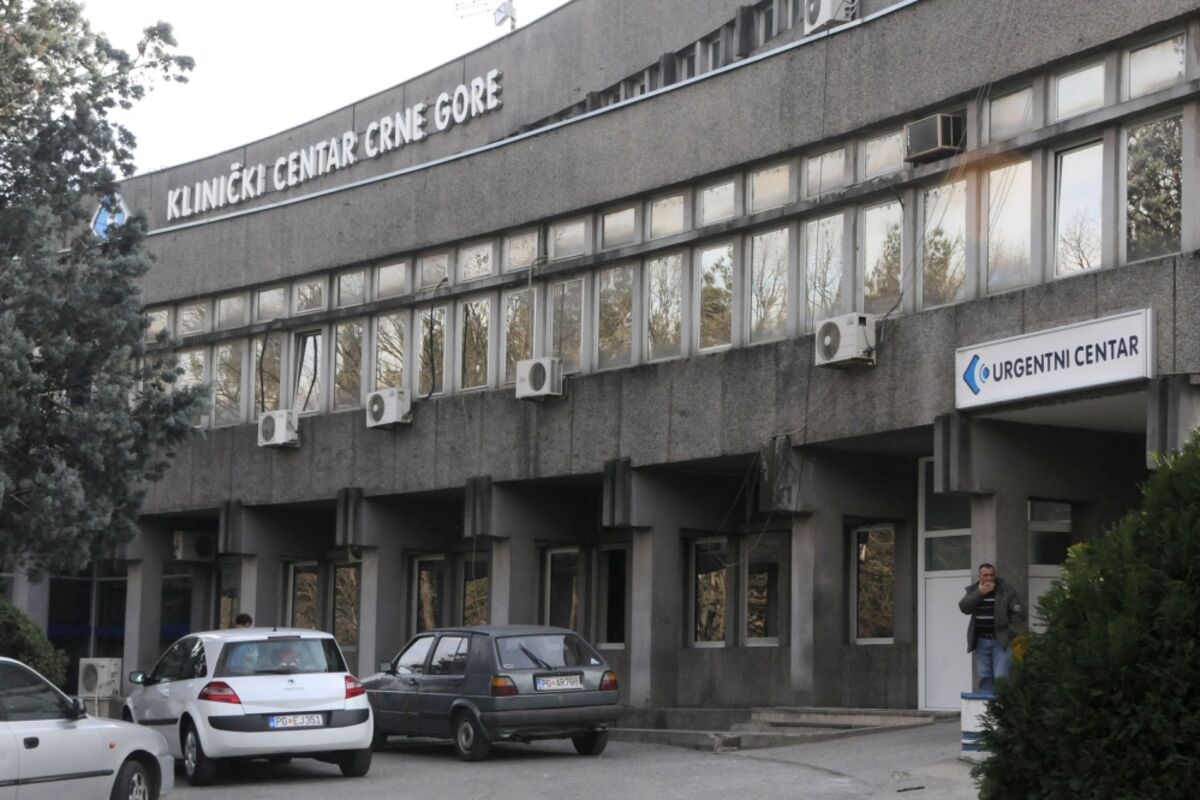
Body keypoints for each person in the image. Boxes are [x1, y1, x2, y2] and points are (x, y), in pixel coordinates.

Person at [959, 563, 1025, 694]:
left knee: (1002, 677)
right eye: (986, 575)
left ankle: (1002, 704)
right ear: (979, 577)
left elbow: (1019, 615)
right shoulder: (974, 590)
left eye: (992, 575)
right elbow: (964, 607)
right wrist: (979, 593)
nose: (989, 578)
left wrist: (1009, 634)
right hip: (981, 640)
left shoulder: (1005, 590)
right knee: (985, 676)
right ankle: (986, 705)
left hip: (1001, 641)